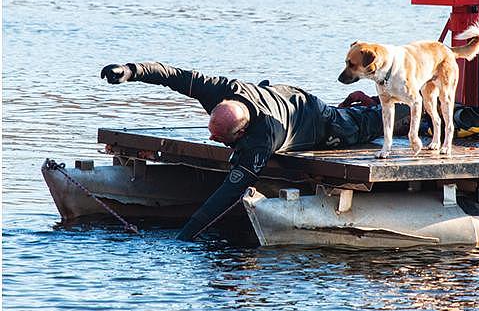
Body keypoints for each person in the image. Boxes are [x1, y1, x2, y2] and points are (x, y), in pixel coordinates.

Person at [101, 62, 407, 241]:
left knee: (367, 125)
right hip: (280, 96)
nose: (218, 144)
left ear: (243, 133)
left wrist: (184, 238)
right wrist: (130, 71)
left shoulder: (261, 140)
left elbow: (228, 194)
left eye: (223, 140)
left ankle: (416, 108)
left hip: (317, 121)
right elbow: (175, 76)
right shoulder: (221, 89)